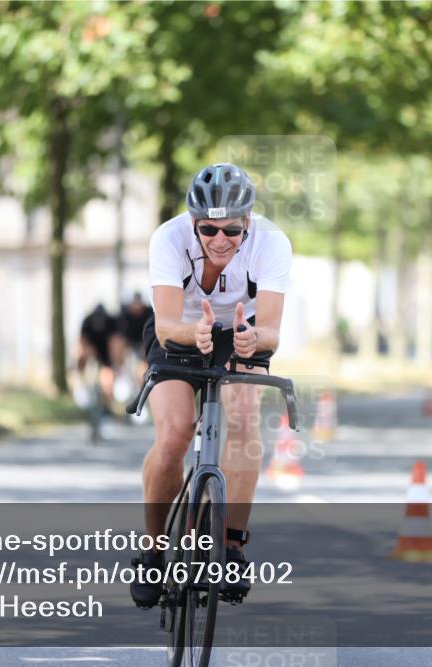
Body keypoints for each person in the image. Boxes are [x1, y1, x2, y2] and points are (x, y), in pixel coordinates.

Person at [130, 162, 292, 608]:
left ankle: (232, 546)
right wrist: (195, 334)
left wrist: (252, 338)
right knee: (176, 433)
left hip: (244, 332)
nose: (220, 239)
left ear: (249, 223)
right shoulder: (168, 238)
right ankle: (154, 550)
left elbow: (273, 332)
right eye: (208, 229)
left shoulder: (273, 243)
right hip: (179, 332)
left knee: (242, 422)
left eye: (232, 230)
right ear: (192, 223)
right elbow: (164, 325)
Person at [74, 304, 121, 406]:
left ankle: (108, 403)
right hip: (91, 348)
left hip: (106, 352)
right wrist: (86, 354)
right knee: (80, 353)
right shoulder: (87, 321)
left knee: (107, 378)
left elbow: (116, 341)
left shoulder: (111, 321)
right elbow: (82, 341)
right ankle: (81, 382)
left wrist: (114, 362)